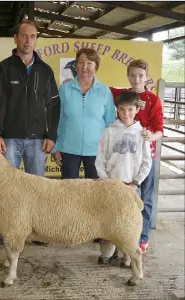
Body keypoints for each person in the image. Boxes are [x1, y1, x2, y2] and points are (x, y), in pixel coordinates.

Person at [0, 19, 60, 178]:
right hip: (8, 140)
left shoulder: (45, 70)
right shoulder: (2, 68)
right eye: (24, 36)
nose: (28, 41)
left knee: (35, 192)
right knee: (7, 189)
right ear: (15, 38)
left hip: (38, 140)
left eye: (32, 36)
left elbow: (54, 104)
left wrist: (52, 136)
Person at [110, 59, 164, 253]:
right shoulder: (121, 95)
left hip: (145, 157)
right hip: (125, 159)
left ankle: (142, 238)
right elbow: (100, 87)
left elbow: (160, 130)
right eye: (132, 75)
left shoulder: (153, 100)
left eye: (140, 75)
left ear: (146, 77)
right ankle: (121, 236)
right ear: (128, 76)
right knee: (123, 197)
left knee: (146, 198)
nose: (136, 79)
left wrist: (151, 136)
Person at [94, 90, 152, 264]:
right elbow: (100, 160)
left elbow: (147, 162)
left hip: (132, 186)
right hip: (112, 185)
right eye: (122, 109)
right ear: (116, 110)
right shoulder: (108, 132)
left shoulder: (142, 134)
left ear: (136, 110)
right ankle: (108, 252)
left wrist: (136, 182)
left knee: (128, 221)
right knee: (109, 219)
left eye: (130, 109)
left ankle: (127, 255)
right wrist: (107, 181)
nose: (126, 114)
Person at [52, 48, 116, 180]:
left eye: (89, 63)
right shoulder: (64, 89)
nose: (84, 67)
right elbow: (56, 119)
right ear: (76, 65)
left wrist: (110, 150)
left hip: (97, 151)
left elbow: (110, 123)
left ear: (96, 67)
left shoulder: (104, 91)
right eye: (81, 62)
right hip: (68, 149)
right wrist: (55, 146)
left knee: (95, 193)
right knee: (69, 192)